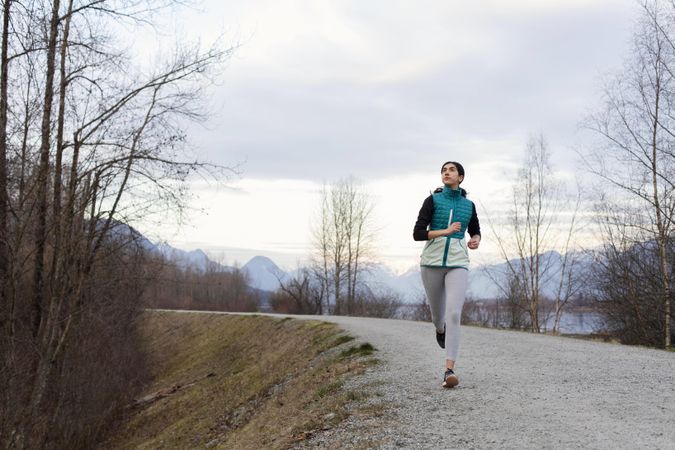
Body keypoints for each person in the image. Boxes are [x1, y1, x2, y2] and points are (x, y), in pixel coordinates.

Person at [413, 161, 481, 388]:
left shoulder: (468, 205)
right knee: (438, 316)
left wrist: (475, 240)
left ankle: (449, 370)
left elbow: (476, 230)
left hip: (458, 262)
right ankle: (439, 330)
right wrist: (446, 231)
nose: (446, 173)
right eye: (444, 170)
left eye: (451, 170)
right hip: (431, 262)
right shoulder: (432, 200)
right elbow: (417, 234)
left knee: (453, 314)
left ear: (460, 177)